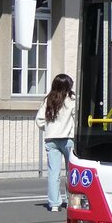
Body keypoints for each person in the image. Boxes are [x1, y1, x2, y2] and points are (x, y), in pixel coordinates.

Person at [35, 73, 76, 211]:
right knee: (71, 172)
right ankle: (71, 201)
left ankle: (54, 204)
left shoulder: (48, 100)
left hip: (51, 139)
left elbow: (39, 120)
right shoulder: (72, 100)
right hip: (68, 139)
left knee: (53, 173)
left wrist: (48, 128)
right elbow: (76, 118)